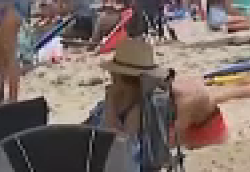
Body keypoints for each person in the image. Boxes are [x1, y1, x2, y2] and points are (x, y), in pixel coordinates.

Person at [94, 39, 229, 152]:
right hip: (171, 129)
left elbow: (167, 142)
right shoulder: (141, 91)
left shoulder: (185, 98)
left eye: (114, 76)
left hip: (202, 135)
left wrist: (111, 104)